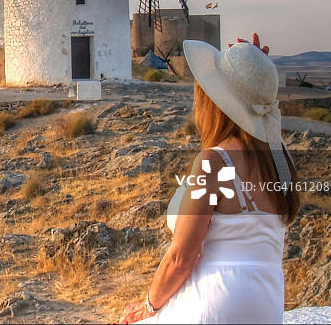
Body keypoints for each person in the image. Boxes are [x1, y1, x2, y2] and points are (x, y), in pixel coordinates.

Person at [118, 34, 300, 324]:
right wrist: (253, 70)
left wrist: (149, 306)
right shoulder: (281, 160)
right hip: (266, 305)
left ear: (215, 104)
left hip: (217, 301)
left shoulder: (215, 161)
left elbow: (181, 259)